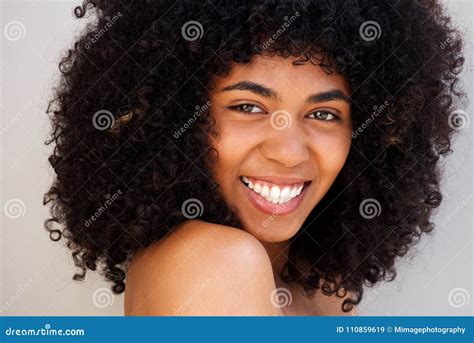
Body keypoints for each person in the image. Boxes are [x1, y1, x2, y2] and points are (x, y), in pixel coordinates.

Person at [44, 0, 465, 316]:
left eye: (323, 114)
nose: (287, 152)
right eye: (248, 107)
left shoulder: (324, 287)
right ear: (176, 115)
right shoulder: (215, 263)